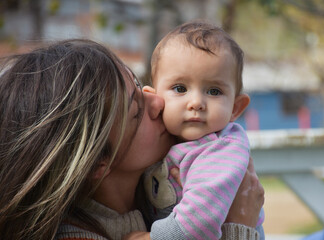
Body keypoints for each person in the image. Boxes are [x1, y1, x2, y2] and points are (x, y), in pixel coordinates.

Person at [0, 39, 264, 240]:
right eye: (137, 112)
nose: (158, 101)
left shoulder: (172, 176)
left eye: (140, 87)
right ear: (96, 163)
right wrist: (239, 227)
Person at [142, 20, 265, 240]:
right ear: (154, 100)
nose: (197, 102)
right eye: (180, 88)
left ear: (235, 108)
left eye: (214, 91)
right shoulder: (163, 141)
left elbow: (198, 225)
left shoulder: (221, 149)